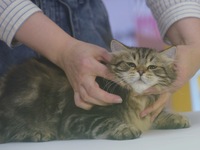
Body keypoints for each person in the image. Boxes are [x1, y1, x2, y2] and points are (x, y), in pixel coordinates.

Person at [1, 0, 200, 119]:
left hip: (87, 20)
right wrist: (62, 49)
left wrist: (194, 43)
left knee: (106, 120)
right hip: (12, 35)